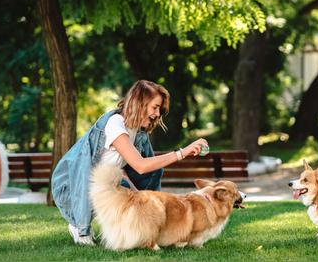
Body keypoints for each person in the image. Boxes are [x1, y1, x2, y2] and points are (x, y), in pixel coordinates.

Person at [51, 80, 208, 246]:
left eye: (159, 110)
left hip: (105, 182)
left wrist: (141, 199)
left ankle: (148, 225)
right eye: (154, 107)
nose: (157, 114)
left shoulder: (137, 131)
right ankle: (79, 226)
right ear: (140, 103)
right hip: (71, 187)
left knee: (154, 171)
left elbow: (129, 169)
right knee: (146, 169)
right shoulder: (115, 124)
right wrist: (182, 152)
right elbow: (140, 166)